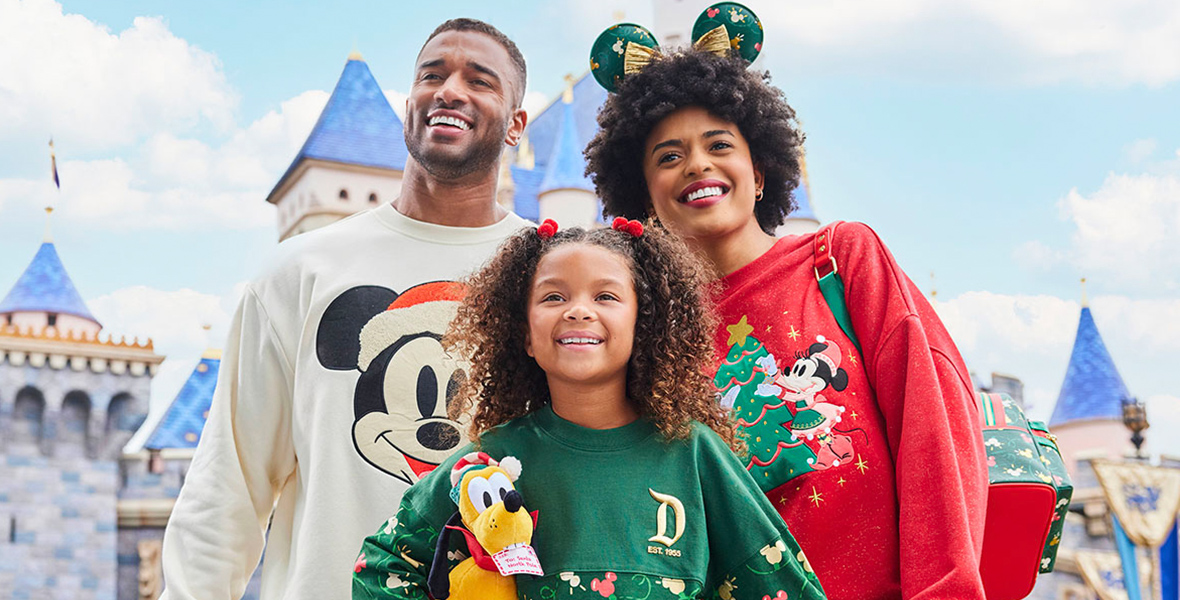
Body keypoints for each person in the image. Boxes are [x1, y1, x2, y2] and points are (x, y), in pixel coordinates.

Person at [584, 49, 988, 600]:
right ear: (645, 198)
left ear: (759, 173)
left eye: (719, 144)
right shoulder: (645, 335)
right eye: (668, 156)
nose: (697, 164)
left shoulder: (841, 258)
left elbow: (933, 429)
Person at [159, 19, 532, 600]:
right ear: (410, 104)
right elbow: (228, 485)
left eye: (479, 81)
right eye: (432, 75)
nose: (449, 90)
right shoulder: (300, 273)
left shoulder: (553, 274)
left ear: (515, 125)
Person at [352, 221, 826, 600]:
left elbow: (779, 584)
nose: (579, 310)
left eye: (606, 296)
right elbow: (382, 570)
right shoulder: (489, 463)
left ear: (645, 326)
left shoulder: (696, 454)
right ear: (524, 335)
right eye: (554, 296)